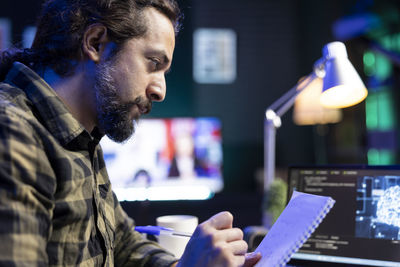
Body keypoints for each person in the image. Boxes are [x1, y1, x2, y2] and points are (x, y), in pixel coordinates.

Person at [0, 0, 262, 266]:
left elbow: (123, 243)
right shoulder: (13, 130)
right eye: (153, 62)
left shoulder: (80, 133)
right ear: (96, 43)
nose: (160, 91)